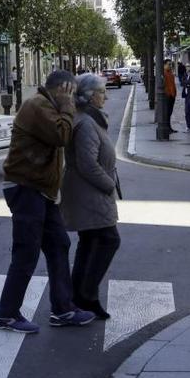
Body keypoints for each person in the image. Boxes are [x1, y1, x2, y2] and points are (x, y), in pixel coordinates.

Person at [0, 70, 95, 334]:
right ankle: (6, 315)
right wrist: (66, 107)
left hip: (39, 190)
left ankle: (63, 309)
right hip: (25, 187)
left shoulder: (47, 106)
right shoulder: (38, 106)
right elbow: (62, 136)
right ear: (60, 89)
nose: (73, 98)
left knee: (59, 244)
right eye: (70, 92)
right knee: (26, 252)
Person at [60, 74, 121, 320]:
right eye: (101, 92)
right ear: (89, 96)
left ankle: (81, 295)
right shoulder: (85, 123)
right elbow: (87, 164)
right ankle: (86, 294)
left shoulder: (90, 119)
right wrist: (109, 185)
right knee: (108, 240)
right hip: (89, 192)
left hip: (87, 191)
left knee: (90, 241)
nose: (105, 96)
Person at [164, 61, 177, 133]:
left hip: (172, 95)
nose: (170, 66)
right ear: (164, 65)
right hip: (168, 95)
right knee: (167, 113)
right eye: (169, 64)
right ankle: (167, 128)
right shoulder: (164, 73)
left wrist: (174, 93)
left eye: (171, 64)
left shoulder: (170, 72)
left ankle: (169, 128)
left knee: (170, 112)